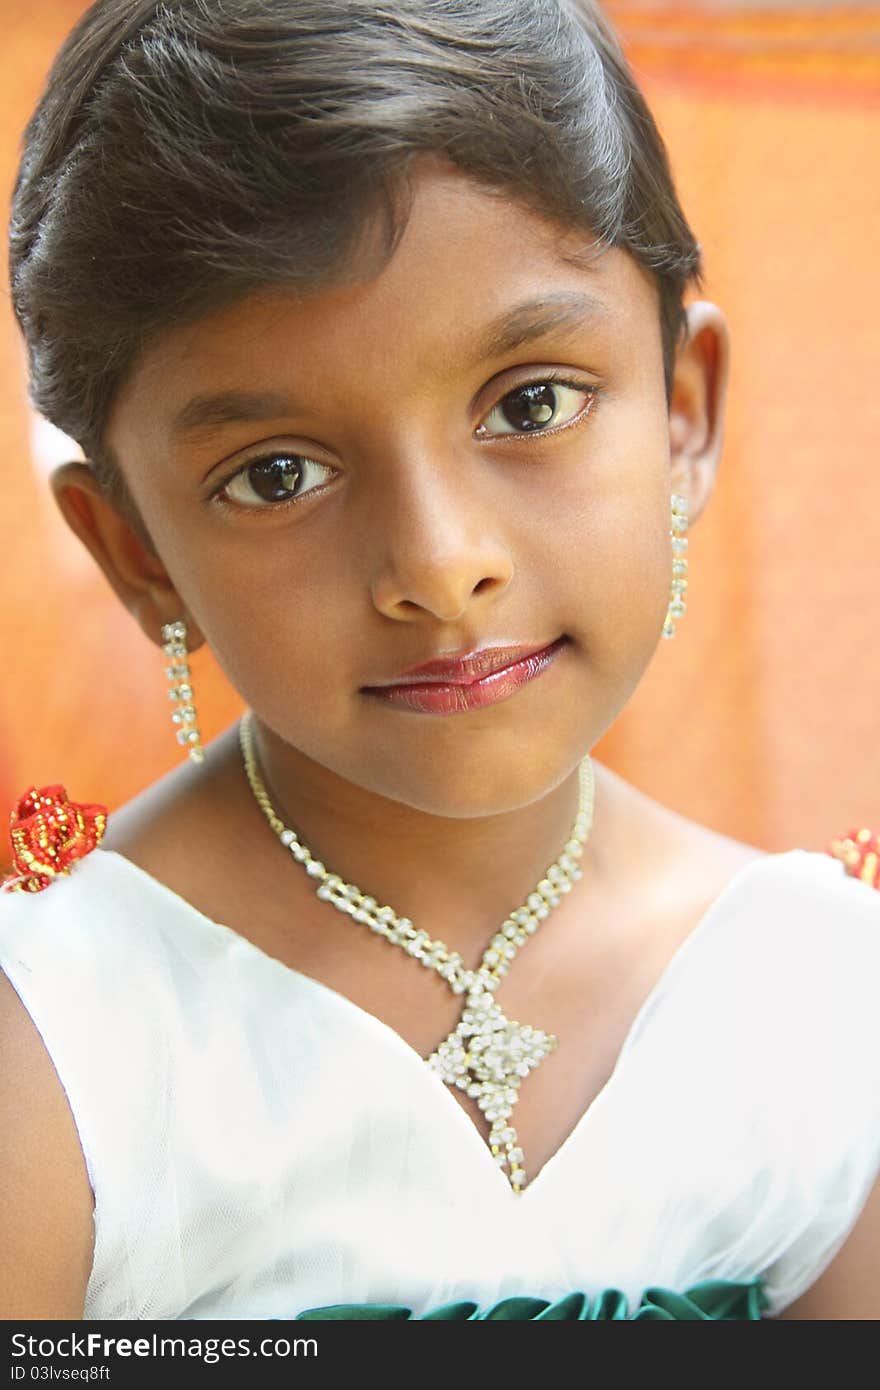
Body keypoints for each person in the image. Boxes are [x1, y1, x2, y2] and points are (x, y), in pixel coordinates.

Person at [0, 0, 877, 1323]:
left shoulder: (821, 998)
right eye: (277, 474)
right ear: (137, 552)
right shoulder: (58, 1047)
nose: (438, 561)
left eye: (530, 403)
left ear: (684, 410)